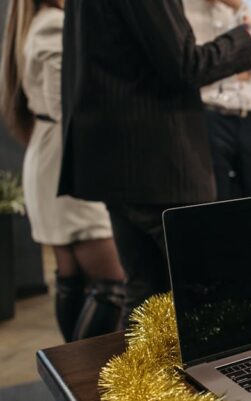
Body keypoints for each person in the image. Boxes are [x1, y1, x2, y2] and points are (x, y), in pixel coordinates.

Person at [58, 0, 251, 325]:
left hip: (121, 162)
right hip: (161, 164)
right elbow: (187, 64)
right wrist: (249, 36)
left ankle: (139, 378)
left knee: (146, 300)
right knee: (206, 300)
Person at [0, 0, 125, 342]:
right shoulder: (54, 24)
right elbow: (69, 109)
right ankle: (77, 380)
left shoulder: (36, 24)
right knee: (112, 284)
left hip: (53, 160)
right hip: (69, 164)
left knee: (71, 276)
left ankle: (68, 377)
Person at [184, 0, 251, 200]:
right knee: (216, 198)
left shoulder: (241, 7)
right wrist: (235, 66)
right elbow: (193, 67)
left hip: (248, 114)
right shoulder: (185, 8)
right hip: (210, 116)